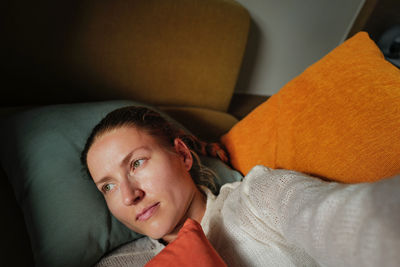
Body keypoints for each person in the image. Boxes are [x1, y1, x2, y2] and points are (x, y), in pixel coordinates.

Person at [81, 106, 400, 267]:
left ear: (181, 154)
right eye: (107, 187)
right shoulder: (120, 265)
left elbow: (349, 221)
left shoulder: (259, 198)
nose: (128, 195)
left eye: (136, 163)